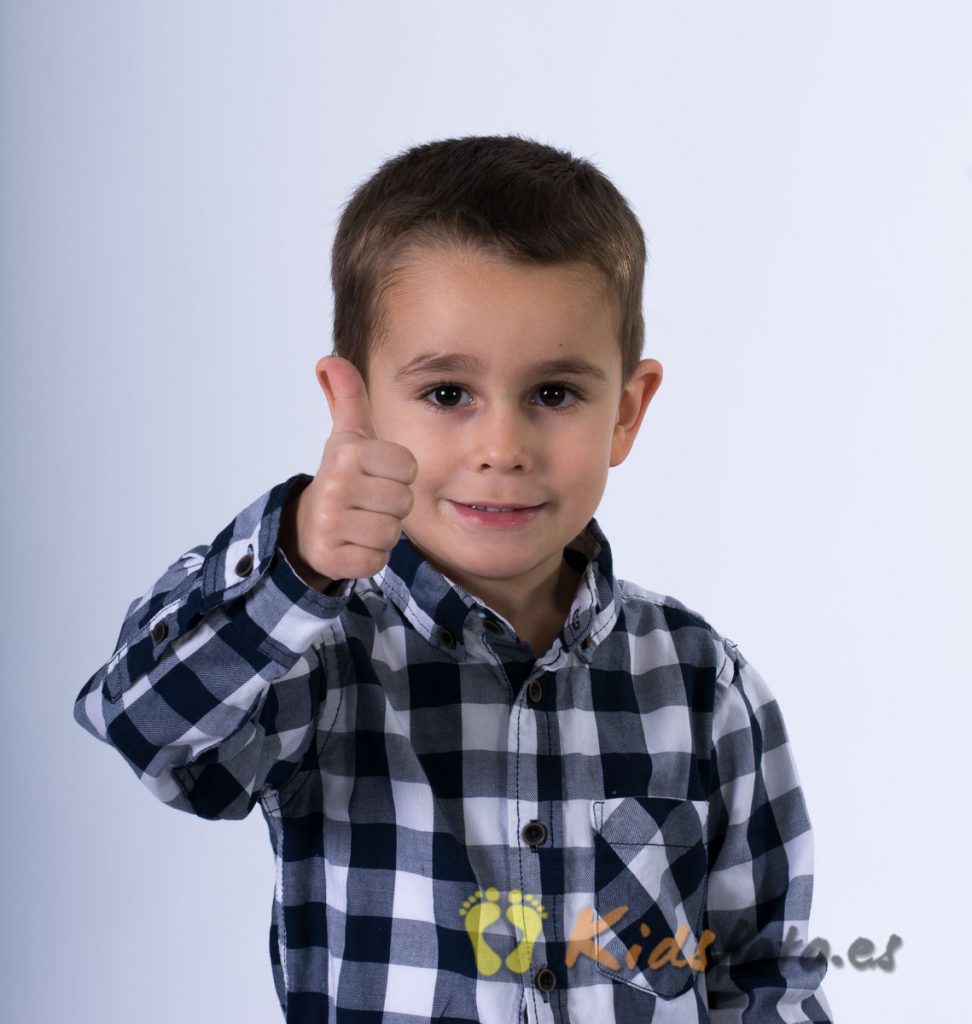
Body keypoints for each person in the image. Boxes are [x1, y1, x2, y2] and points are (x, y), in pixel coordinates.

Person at [73, 135, 832, 1024]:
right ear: (351, 401)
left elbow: (765, 977)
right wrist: (294, 568)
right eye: (446, 395)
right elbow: (146, 732)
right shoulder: (322, 655)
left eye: (553, 393)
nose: (502, 449)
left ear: (626, 412)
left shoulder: (705, 682)